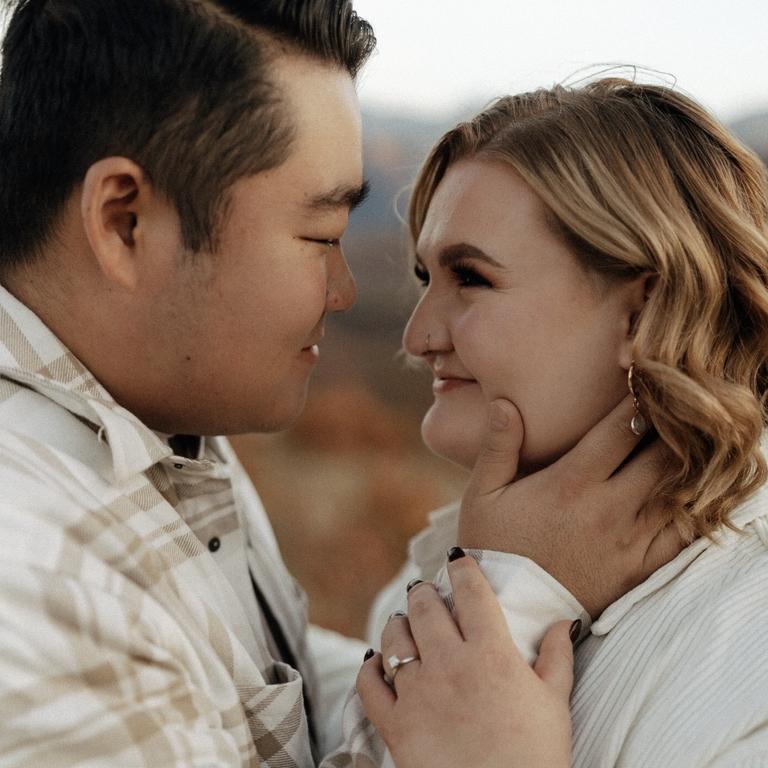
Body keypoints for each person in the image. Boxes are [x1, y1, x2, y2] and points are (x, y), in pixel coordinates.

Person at [0, 0, 690, 764]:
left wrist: (493, 591)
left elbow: (261, 700)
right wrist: (509, 601)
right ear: (124, 222)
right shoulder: (35, 586)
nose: (344, 290)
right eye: (321, 235)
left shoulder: (155, 421)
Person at [353, 78, 768, 767]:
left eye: (471, 278)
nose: (418, 336)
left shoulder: (746, 642)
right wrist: (511, 587)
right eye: (426, 279)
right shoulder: (455, 552)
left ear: (642, 315)